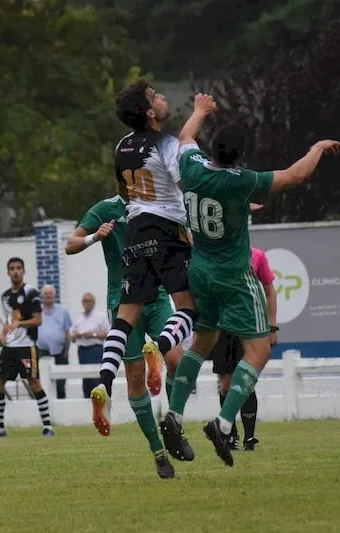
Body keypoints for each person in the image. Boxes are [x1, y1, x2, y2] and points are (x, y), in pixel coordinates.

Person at [159, 93, 340, 467]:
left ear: (211, 148)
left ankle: (175, 415)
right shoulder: (242, 181)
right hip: (234, 277)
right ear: (241, 155)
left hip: (200, 272)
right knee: (258, 352)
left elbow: (183, 139)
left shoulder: (193, 168)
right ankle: (224, 424)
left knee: (202, 342)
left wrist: (199, 112)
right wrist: (318, 147)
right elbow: (297, 175)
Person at [96, 80, 199, 461]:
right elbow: (188, 183)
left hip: (135, 232)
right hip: (167, 231)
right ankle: (161, 346)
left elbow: (125, 195)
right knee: (189, 310)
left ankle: (103, 380)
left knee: (123, 321)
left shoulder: (122, 146)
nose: (162, 97)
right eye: (156, 95)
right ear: (149, 112)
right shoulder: (166, 144)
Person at [65, 194, 184, 479]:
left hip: (155, 298)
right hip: (123, 299)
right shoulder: (105, 209)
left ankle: (173, 426)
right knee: (133, 377)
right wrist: (95, 236)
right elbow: (70, 244)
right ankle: (158, 452)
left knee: (177, 360)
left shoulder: (159, 203)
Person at [208, 246, 278, 451]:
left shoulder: (257, 256)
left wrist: (272, 326)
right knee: (225, 384)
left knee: (246, 381)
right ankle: (230, 433)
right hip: (221, 328)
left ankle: (250, 437)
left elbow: (269, 291)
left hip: (248, 327)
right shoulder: (215, 255)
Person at [0, 258, 54, 438]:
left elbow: (38, 320)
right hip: (10, 347)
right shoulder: (5, 296)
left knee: (34, 383)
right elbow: (10, 321)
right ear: (8, 273)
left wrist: (19, 325)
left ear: (23, 271)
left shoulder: (30, 292)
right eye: (12, 269)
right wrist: (2, 336)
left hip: (26, 346)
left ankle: (47, 426)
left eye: (18, 268)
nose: (15, 271)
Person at [36, 285, 72, 399]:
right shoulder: (37, 311)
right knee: (42, 384)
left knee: (61, 384)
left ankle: (62, 412)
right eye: (46, 293)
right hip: (42, 352)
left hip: (60, 353)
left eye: (50, 293)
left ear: (54, 295)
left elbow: (67, 333)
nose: (48, 295)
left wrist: (66, 352)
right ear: (41, 296)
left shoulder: (63, 311)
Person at [69, 293, 109, 398]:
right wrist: (77, 335)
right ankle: (87, 403)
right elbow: (71, 335)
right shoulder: (79, 318)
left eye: (89, 301)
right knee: (86, 380)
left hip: (95, 350)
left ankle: (100, 402)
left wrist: (93, 335)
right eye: (85, 301)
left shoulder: (101, 316)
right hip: (82, 351)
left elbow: (107, 334)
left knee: (96, 378)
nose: (87, 303)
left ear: (94, 302)